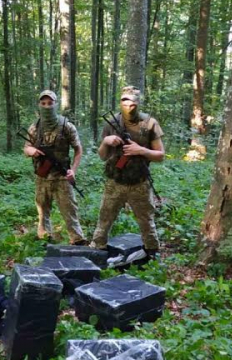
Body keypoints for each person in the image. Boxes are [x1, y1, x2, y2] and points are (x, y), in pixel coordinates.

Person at [91, 86, 165, 258]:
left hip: (139, 182)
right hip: (114, 181)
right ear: (120, 101)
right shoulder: (111, 122)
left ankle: (151, 253)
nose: (129, 103)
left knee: (146, 220)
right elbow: (102, 156)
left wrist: (141, 150)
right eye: (124, 100)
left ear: (138, 102)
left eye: (133, 100)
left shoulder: (149, 123)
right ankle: (97, 250)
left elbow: (160, 155)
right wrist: (106, 142)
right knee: (104, 219)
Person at [23, 90, 87, 245]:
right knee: (42, 209)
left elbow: (78, 149)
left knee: (69, 209)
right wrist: (31, 151)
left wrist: (73, 170)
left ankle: (77, 240)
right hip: (42, 175)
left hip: (62, 176)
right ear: (39, 105)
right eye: (43, 103)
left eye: (50, 103)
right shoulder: (34, 127)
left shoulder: (66, 126)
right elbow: (26, 148)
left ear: (55, 104)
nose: (46, 106)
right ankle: (44, 239)